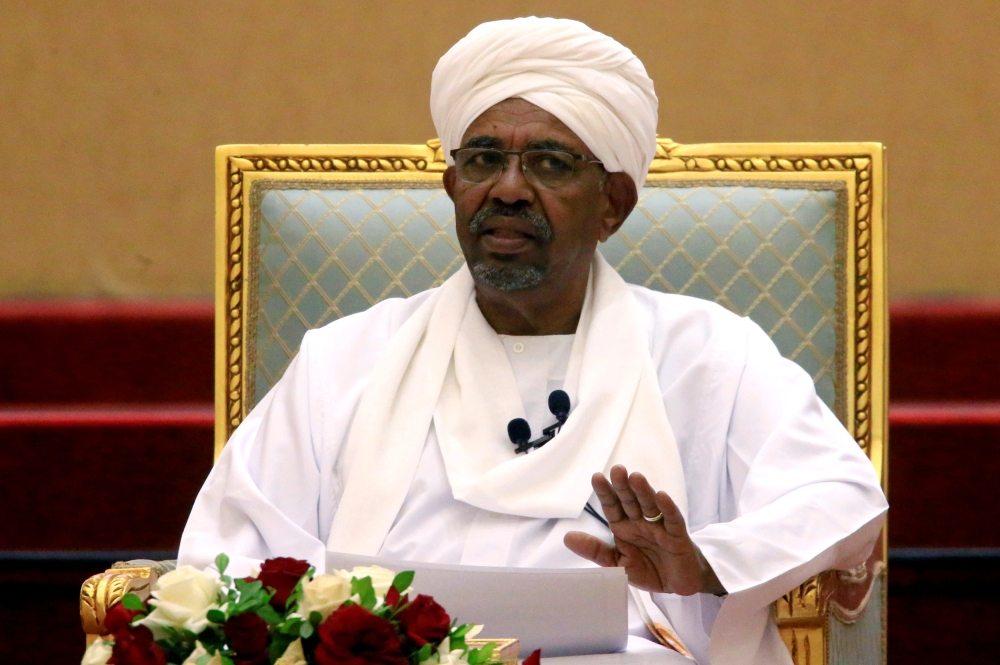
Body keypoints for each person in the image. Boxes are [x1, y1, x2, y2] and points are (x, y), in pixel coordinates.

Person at [179, 17, 887, 665]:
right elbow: (230, 552)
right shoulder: (345, 359)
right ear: (453, 185)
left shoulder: (709, 354)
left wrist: (705, 562)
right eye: (484, 160)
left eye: (550, 163)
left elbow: (840, 495)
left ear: (613, 204)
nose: (509, 189)